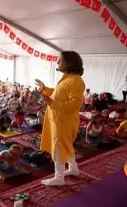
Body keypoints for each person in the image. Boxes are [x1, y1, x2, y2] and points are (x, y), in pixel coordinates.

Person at [36, 51, 85, 186]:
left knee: (58, 147)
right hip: (58, 120)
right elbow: (58, 94)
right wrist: (45, 89)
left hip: (64, 122)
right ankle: (73, 169)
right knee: (65, 145)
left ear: (69, 63)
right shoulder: (68, 78)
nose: (57, 63)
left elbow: (75, 104)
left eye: (60, 60)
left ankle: (59, 178)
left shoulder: (76, 81)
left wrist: (51, 103)